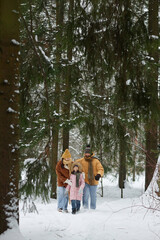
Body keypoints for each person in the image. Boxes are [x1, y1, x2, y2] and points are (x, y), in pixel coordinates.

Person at [76, 144, 104, 209]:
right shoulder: (81, 160)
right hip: (85, 181)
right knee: (85, 195)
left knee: (93, 196)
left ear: (91, 153)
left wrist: (99, 174)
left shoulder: (96, 161)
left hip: (94, 181)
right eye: (86, 153)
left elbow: (101, 169)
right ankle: (85, 207)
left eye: (88, 153)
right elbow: (74, 164)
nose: (87, 154)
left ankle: (93, 208)